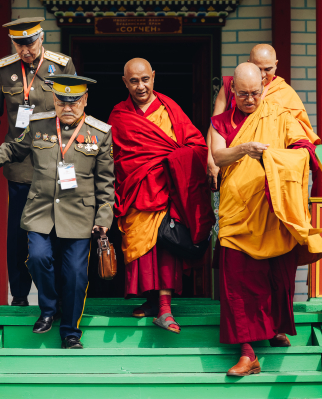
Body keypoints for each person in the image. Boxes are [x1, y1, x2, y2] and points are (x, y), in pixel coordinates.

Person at [0, 75, 114, 349]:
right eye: (61, 102)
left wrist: (103, 218)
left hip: (78, 215)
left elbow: (106, 183)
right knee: (37, 258)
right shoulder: (38, 125)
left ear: (85, 100)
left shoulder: (100, 133)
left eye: (74, 102)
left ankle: (70, 331)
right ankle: (48, 309)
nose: (67, 108)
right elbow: (12, 148)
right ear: (55, 101)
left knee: (74, 274)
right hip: (41, 211)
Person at [210, 63, 322, 376]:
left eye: (255, 93)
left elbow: (305, 151)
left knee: (278, 277)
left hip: (274, 212)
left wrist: (276, 158)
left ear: (265, 86)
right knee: (238, 284)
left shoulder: (279, 114)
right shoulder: (221, 121)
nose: (250, 100)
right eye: (243, 94)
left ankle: (274, 328)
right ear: (232, 90)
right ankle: (248, 353)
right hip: (238, 214)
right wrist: (245, 149)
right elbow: (218, 157)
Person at [108, 58, 214, 334]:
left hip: (167, 188)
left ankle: (165, 308)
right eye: (134, 81)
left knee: (166, 245)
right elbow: (116, 157)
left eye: (145, 79)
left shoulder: (170, 109)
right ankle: (153, 301)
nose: (141, 86)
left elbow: (197, 145)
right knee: (142, 247)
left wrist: (172, 161)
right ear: (124, 82)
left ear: (154, 77)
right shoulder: (119, 115)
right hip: (135, 189)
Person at [0, 17, 76, 307]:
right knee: (20, 233)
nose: (26, 51)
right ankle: (19, 295)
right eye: (19, 45)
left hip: (56, 162)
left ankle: (57, 297)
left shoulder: (61, 65)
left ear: (41, 38)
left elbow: (76, 109)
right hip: (20, 164)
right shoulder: (4, 68)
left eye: (30, 44)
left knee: (59, 231)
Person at [208, 43, 315, 191]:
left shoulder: (286, 95)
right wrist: (211, 160)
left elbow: (299, 141)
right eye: (243, 94)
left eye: (268, 69)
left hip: (269, 179)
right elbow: (216, 125)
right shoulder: (228, 89)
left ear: (276, 65)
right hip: (233, 174)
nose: (263, 75)